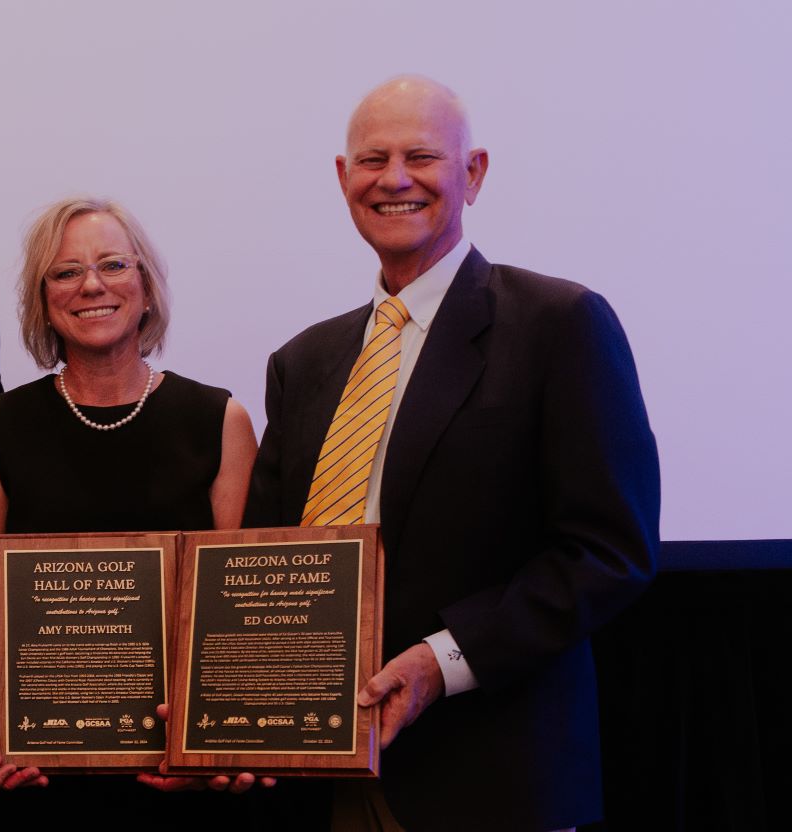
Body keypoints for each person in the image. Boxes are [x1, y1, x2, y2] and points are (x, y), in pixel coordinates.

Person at [245, 76, 659, 831]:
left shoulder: (558, 325)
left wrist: (441, 662)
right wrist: (223, 693)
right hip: (319, 781)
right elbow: (263, 558)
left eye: (422, 156)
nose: (394, 179)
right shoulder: (301, 362)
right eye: (373, 159)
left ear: (473, 173)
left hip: (490, 781)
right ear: (344, 179)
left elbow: (608, 551)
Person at [0, 197, 271, 826]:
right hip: (42, 772)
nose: (91, 285)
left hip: (177, 770)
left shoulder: (219, 421)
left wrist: (215, 739)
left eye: (112, 265)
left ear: (146, 289)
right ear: (43, 300)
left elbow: (238, 603)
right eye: (65, 272)